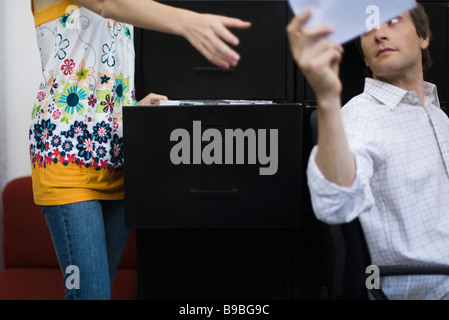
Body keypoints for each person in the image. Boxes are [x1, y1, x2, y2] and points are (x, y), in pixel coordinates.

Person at [30, 0, 251, 299]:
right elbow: (106, 4)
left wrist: (127, 110)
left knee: (98, 291)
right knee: (88, 294)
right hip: (66, 160)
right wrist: (188, 22)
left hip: (119, 155)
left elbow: (101, 63)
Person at [287, 2, 449, 300]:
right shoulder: (361, 117)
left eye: (391, 21)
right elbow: (335, 204)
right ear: (363, 53)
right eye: (367, 29)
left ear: (423, 37)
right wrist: (326, 98)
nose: (379, 34)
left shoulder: (439, 117)